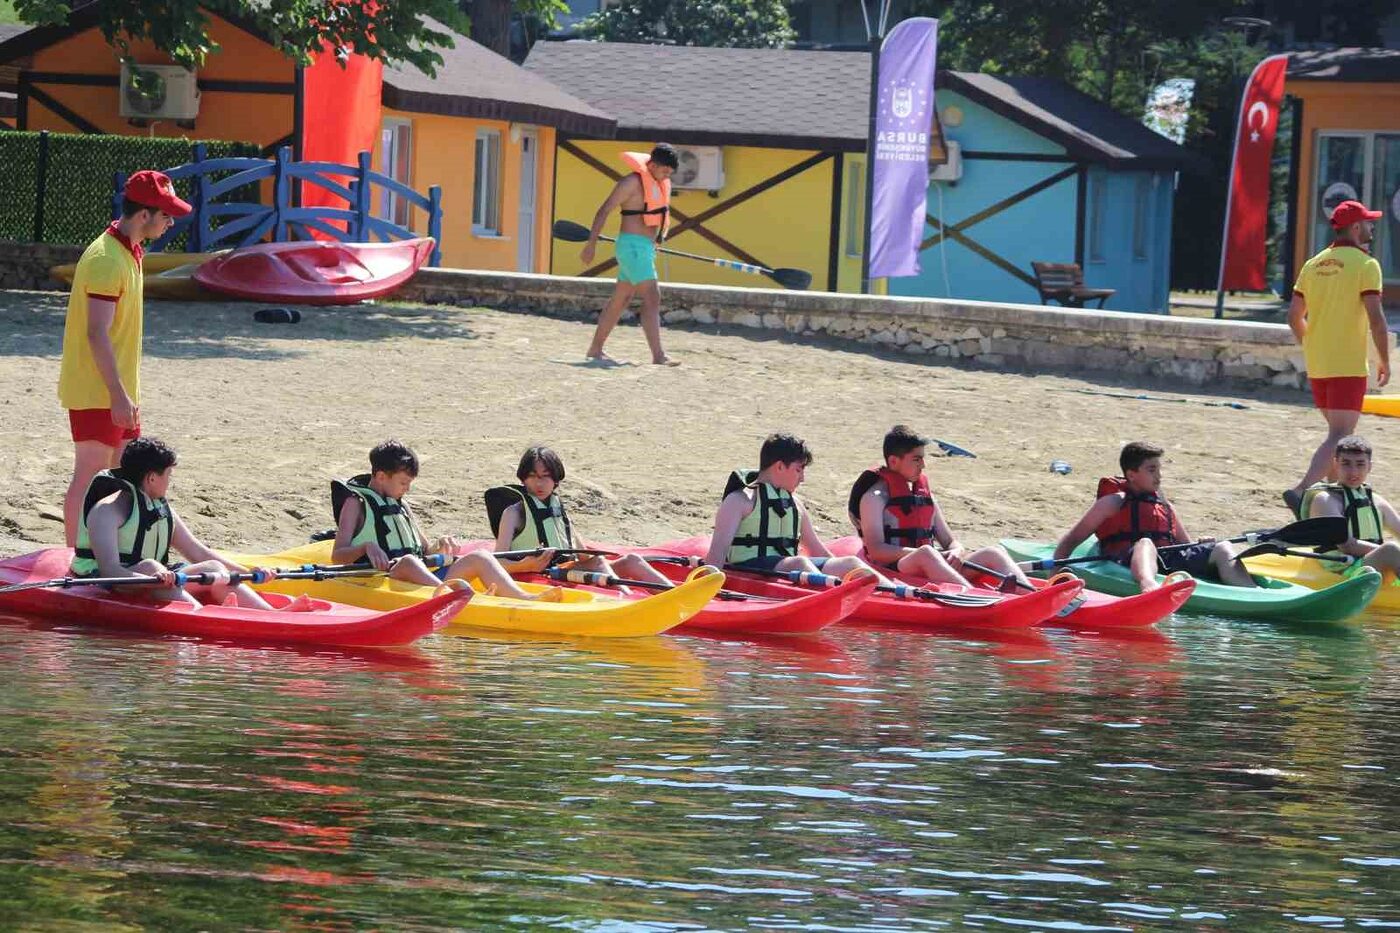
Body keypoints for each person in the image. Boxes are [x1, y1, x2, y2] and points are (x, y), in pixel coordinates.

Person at [60, 170, 192, 547]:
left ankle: (114, 552)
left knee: (123, 475)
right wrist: (117, 394)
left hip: (117, 388)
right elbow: (96, 332)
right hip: (96, 387)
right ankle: (75, 557)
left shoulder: (130, 252)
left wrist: (124, 394)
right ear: (144, 214)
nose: (170, 222)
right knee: (88, 474)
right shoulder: (106, 259)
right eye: (166, 214)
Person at [330, 440, 560, 601]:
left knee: (480, 557)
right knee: (408, 561)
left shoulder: (400, 502)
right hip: (386, 579)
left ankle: (523, 597)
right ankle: (460, 597)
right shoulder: (355, 504)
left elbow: (424, 549)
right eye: (403, 483)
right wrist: (366, 546)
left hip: (422, 580)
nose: (407, 489)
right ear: (381, 476)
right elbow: (337, 555)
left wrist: (439, 544)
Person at [72, 436, 285, 609]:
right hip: (107, 582)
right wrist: (158, 576)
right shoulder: (106, 512)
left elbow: (198, 553)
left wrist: (251, 572)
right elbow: (110, 572)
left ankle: (272, 616)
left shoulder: (161, 510)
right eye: (168, 475)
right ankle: (203, 617)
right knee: (151, 565)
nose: (170, 481)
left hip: (155, 579)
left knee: (213, 567)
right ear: (152, 478)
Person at [1284, 199, 1390, 516]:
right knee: (1340, 435)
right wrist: (1386, 360)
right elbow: (1376, 319)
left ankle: (1333, 499)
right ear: (1355, 227)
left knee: (1337, 439)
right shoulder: (1366, 265)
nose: (1372, 227)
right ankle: (1301, 490)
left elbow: (1293, 317)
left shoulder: (1313, 263)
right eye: (1369, 223)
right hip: (1347, 362)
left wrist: (1312, 343)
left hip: (1319, 362)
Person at [1053, 441, 1256, 592]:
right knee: (1145, 543)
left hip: (1166, 560)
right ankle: (1149, 587)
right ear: (1131, 475)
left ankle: (1251, 593)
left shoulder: (1164, 504)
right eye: (1152, 470)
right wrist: (1056, 574)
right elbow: (1071, 541)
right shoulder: (1113, 502)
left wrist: (1203, 545)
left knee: (1222, 547)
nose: (1159, 476)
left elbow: (1185, 545)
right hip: (1126, 558)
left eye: (1159, 469)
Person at [848, 425, 1032, 590]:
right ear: (894, 461)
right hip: (896, 569)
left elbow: (949, 540)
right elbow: (876, 551)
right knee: (926, 553)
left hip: (934, 564)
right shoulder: (873, 498)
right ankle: (977, 597)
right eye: (916, 459)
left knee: (994, 552)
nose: (923, 465)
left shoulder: (922, 495)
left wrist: (956, 551)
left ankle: (1030, 595)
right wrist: (929, 554)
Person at [487, 445, 675, 586]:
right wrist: (524, 566)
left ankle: (674, 595)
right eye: (532, 476)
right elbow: (496, 563)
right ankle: (622, 598)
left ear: (555, 479)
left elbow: (582, 555)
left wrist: (610, 564)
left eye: (545, 476)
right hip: (535, 577)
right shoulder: (513, 513)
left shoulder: (558, 510)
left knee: (631, 561)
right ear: (523, 478)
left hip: (564, 572)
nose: (539, 483)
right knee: (599, 564)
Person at [704, 433, 880, 579]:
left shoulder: (795, 504)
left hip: (786, 569)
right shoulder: (739, 500)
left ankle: (898, 596)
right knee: (799, 562)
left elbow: (817, 550)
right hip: (748, 573)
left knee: (850, 563)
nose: (802, 478)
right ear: (780, 466)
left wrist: (842, 570)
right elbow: (717, 554)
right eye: (799, 469)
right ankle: (837, 598)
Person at [580, 144, 680, 366]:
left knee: (621, 299)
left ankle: (595, 349)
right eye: (664, 171)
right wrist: (591, 245)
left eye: (669, 174)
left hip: (642, 248)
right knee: (652, 297)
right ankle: (658, 355)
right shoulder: (631, 183)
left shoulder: (657, 184)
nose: (666, 177)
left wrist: (655, 241)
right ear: (652, 165)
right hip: (632, 247)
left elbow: (656, 217)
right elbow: (604, 210)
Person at [1298, 435, 1400, 577]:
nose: (1353, 472)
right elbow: (1347, 545)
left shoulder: (1376, 501)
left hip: (1368, 564)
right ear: (1335, 464)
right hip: (1341, 570)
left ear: (1369, 466)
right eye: (1346, 463)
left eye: (1360, 464)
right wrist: (1387, 553)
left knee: (1391, 550)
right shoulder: (1325, 500)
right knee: (1391, 550)